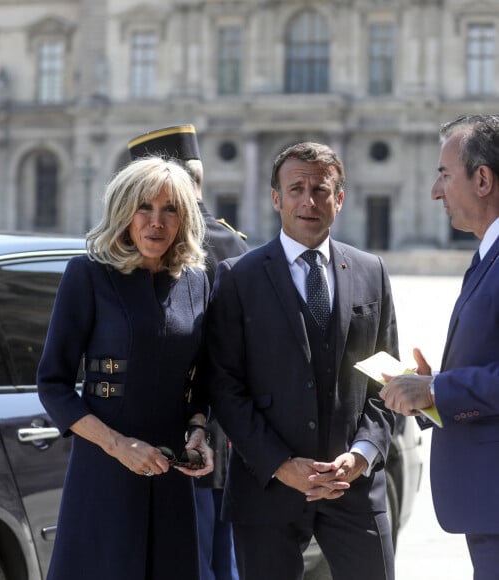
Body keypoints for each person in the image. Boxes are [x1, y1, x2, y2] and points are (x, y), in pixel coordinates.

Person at [206, 141, 399, 580]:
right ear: (276, 198)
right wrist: (280, 465)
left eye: (321, 189)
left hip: (353, 486)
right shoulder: (238, 278)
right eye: (296, 189)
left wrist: (363, 455)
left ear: (340, 199)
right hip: (267, 488)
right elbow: (224, 386)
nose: (309, 201)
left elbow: (387, 379)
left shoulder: (372, 271)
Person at [37, 156, 214, 580]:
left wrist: (200, 432)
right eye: (144, 208)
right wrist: (119, 446)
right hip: (104, 471)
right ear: (123, 212)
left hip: (171, 472)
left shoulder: (196, 281)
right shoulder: (87, 274)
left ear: (184, 217)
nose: (157, 222)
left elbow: (203, 374)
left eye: (170, 209)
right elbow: (53, 384)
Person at [380, 114, 499, 580]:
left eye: (445, 175)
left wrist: (437, 390)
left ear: (483, 179)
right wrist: (430, 392)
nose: (435, 191)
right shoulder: (486, 254)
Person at [128, 124, 248, 580]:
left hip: (175, 433)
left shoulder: (159, 247)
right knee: (223, 558)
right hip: (224, 433)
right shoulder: (231, 240)